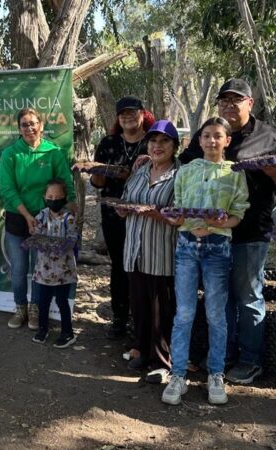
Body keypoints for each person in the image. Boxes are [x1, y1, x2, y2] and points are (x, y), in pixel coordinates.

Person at [179, 78, 276, 384]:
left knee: (248, 297)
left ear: (250, 103)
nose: (229, 105)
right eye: (224, 100)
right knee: (221, 299)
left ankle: (250, 360)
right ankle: (223, 355)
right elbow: (185, 166)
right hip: (212, 235)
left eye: (236, 100)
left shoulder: (270, 137)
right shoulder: (208, 132)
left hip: (250, 232)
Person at [161, 117, 249, 406]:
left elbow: (238, 214)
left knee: (215, 314)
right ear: (199, 140)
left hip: (218, 248)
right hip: (187, 246)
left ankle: (215, 374)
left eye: (218, 136)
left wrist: (221, 222)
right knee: (184, 313)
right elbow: (179, 209)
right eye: (207, 135)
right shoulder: (186, 171)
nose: (212, 140)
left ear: (227, 141)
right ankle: (178, 375)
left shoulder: (235, 173)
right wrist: (176, 218)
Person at [0, 107, 76, 330]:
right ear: (18, 128)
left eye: (33, 123)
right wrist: (27, 216)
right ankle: (20, 307)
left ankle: (35, 309)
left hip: (46, 221)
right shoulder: (10, 154)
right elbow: (7, 189)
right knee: (19, 268)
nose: (29, 128)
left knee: (40, 268)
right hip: (17, 218)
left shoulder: (54, 152)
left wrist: (72, 207)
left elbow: (66, 183)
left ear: (41, 125)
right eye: (24, 124)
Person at [88, 96, 155, 340]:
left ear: (142, 113)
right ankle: (119, 317)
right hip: (113, 216)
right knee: (119, 265)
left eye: (132, 112)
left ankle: (142, 319)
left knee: (143, 266)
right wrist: (99, 172)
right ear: (118, 118)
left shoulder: (152, 141)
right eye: (122, 114)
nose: (127, 117)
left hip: (145, 216)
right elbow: (97, 183)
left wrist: (133, 174)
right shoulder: (109, 143)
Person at [118, 119, 180, 377]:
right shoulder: (140, 171)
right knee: (140, 305)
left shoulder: (180, 175)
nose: (157, 146)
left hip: (161, 251)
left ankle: (162, 362)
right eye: (153, 141)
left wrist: (161, 215)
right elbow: (125, 200)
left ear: (175, 146)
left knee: (161, 310)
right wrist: (122, 209)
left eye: (164, 141)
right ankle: (142, 350)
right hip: (134, 250)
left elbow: (184, 214)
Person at [30, 178, 78, 348]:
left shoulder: (69, 218)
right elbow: (36, 234)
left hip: (63, 271)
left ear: (64, 197)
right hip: (44, 270)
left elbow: (72, 238)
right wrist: (35, 234)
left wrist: (60, 245)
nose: (54, 200)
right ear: (44, 197)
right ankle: (43, 329)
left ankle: (68, 333)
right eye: (50, 197)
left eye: (58, 197)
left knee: (62, 302)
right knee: (43, 301)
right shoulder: (41, 215)